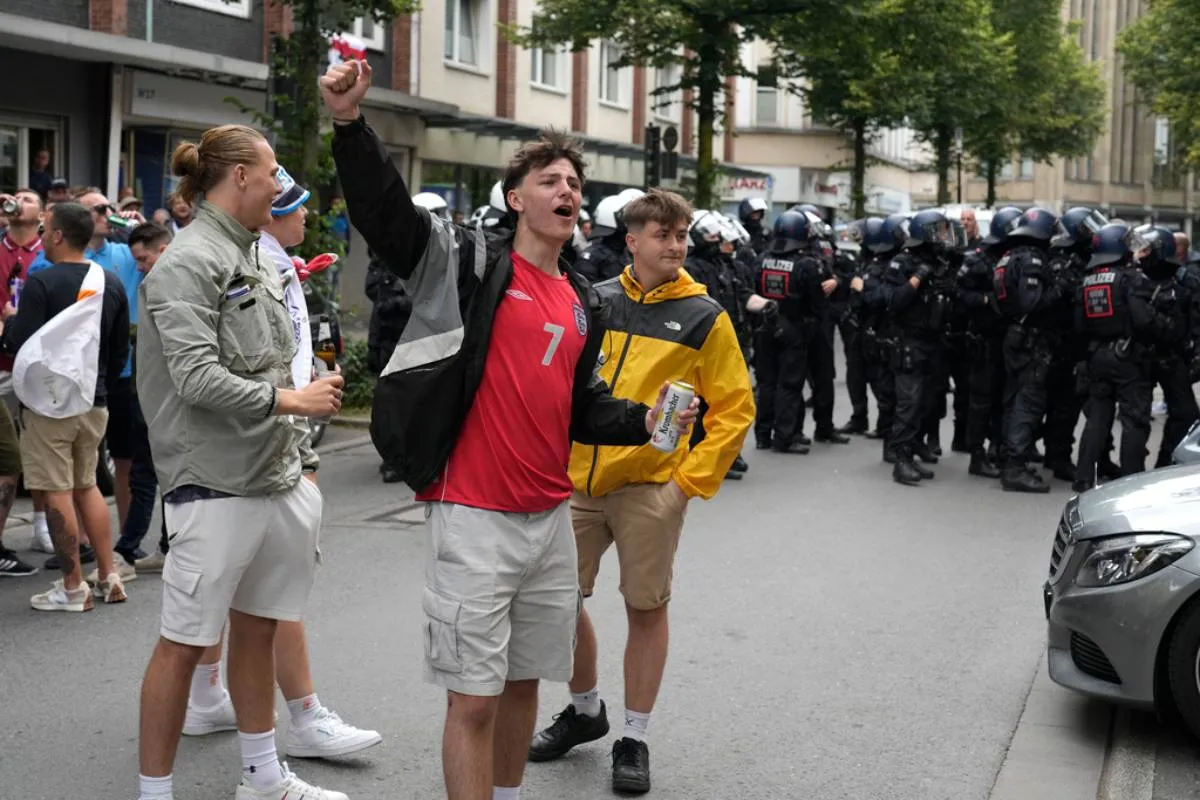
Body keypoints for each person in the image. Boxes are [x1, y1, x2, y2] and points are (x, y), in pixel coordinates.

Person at [323, 58, 695, 800]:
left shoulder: (579, 297)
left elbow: (580, 401)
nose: (567, 192)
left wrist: (641, 420)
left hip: (548, 517)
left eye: (575, 184)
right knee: (473, 697)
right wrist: (348, 125)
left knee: (526, 679)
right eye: (551, 181)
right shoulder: (467, 263)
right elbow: (387, 216)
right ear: (517, 197)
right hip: (474, 515)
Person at [134, 124, 347, 800]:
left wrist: (299, 439)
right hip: (214, 483)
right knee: (185, 643)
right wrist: (293, 400)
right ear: (242, 178)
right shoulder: (188, 262)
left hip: (274, 476)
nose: (283, 185)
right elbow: (195, 379)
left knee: (255, 631)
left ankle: (262, 777)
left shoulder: (253, 252)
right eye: (274, 170)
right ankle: (153, 792)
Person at [528, 189, 754, 794]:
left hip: (650, 488)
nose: (676, 246)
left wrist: (687, 484)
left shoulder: (707, 316)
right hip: (573, 482)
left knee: (645, 608)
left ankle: (635, 736)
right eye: (663, 235)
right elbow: (558, 387)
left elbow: (736, 409)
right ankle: (585, 711)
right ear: (632, 241)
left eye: (682, 235)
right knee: (558, 601)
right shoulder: (593, 300)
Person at [179, 167, 381, 760]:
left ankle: (210, 698)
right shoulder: (236, 261)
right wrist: (296, 416)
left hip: (275, 437)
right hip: (252, 446)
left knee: (242, 593)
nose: (301, 215)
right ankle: (300, 716)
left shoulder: (266, 261)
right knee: (265, 596)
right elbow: (213, 373)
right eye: (289, 203)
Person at [2, 202, 130, 608]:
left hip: (50, 405)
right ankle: (108, 574)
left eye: (46, 229)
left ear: (57, 236)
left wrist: (6, 323)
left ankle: (73, 587)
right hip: (94, 402)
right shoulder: (109, 281)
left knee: (57, 491)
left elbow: (17, 344)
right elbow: (118, 348)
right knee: (86, 484)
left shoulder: (41, 283)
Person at [1073, 224, 1170, 491]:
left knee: (1098, 418)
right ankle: (1131, 482)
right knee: (1134, 420)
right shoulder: (1131, 279)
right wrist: (1162, 328)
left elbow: (1079, 325)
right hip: (1128, 357)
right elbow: (1143, 320)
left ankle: (1083, 477)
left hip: (1098, 357)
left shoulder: (1087, 279)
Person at [885, 210, 956, 485]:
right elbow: (893, 299)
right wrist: (917, 278)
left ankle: (913, 452)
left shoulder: (938, 261)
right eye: (938, 230)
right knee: (908, 403)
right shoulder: (902, 262)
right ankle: (900, 460)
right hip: (909, 342)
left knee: (926, 402)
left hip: (932, 341)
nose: (942, 236)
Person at [993, 207, 1061, 493]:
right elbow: (1032, 303)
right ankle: (1015, 468)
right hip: (1029, 340)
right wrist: (1061, 290)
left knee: (1013, 400)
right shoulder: (1032, 259)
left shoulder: (1008, 256)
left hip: (1013, 335)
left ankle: (1008, 458)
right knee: (1027, 403)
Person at [118, 222, 173, 571]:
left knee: (152, 476)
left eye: (143, 258)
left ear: (163, 251)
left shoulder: (170, 288)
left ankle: (128, 549)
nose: (139, 266)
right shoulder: (156, 283)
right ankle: (164, 547)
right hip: (152, 396)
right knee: (156, 476)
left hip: (163, 400)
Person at [751, 210, 828, 454]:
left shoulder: (761, 259)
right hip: (794, 329)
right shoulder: (806, 264)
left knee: (766, 383)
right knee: (789, 385)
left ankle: (763, 435)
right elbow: (818, 304)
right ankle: (784, 437)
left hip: (765, 326)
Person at [957, 207, 1021, 480]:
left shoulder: (1011, 257)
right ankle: (976, 455)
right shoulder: (979, 258)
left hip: (1004, 339)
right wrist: (985, 300)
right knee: (981, 402)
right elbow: (959, 293)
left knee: (1001, 400)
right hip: (983, 339)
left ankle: (997, 448)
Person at [0, 189, 43, 574]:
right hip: (2, 363)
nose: (16, 202)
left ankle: (43, 526)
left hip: (34, 363)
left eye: (27, 198)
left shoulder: (48, 253)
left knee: (36, 445)